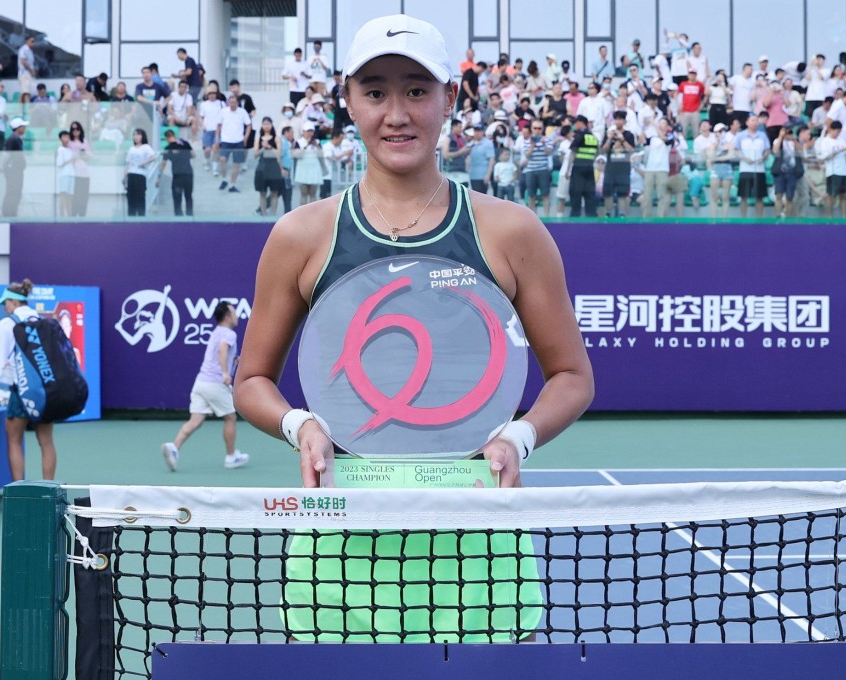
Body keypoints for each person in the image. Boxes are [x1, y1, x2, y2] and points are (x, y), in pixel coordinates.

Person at [233, 14, 593, 642]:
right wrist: (301, 426)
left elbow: (572, 376)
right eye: (374, 92)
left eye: (417, 90)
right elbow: (253, 380)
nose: (395, 113)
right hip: (340, 543)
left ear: (450, 98)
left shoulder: (512, 231)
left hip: (479, 544)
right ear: (348, 101)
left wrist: (520, 439)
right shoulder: (299, 235)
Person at [0, 280, 58, 481]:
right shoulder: (43, 321)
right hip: (47, 391)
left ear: (14, 302)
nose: (5, 308)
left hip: (21, 391)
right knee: (46, 441)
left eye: (6, 303)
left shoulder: (7, 323)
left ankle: (18, 492)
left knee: (14, 440)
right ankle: (50, 489)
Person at [161, 302, 248, 472]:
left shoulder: (216, 332)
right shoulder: (229, 334)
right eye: (234, 312)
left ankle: (174, 448)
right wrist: (225, 373)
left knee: (196, 420)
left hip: (200, 382)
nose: (237, 315)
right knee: (230, 417)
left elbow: (223, 353)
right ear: (228, 317)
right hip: (215, 382)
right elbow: (222, 350)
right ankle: (231, 457)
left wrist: (233, 361)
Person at [216, 94, 252, 192]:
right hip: (226, 141)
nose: (232, 104)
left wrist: (245, 138)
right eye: (231, 102)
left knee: (236, 165)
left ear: (237, 103)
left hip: (238, 141)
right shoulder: (223, 112)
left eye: (234, 102)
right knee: (222, 159)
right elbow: (218, 125)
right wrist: (217, 138)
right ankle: (224, 179)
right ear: (228, 102)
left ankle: (232, 185)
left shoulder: (242, 112)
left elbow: (249, 125)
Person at [156, 129, 194, 216]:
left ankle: (179, 218)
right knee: (188, 196)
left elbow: (163, 164)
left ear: (166, 138)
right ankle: (190, 216)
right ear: (174, 136)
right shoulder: (185, 143)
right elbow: (193, 155)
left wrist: (158, 177)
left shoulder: (168, 148)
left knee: (177, 198)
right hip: (188, 174)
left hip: (177, 175)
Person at [252, 116, 282, 216]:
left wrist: (269, 147)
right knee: (262, 193)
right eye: (264, 124)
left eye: (268, 124)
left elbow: (279, 154)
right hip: (262, 167)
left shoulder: (276, 138)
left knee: (274, 193)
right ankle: (263, 213)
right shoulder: (258, 139)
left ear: (271, 124)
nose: (266, 126)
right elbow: (255, 154)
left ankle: (273, 214)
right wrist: (262, 148)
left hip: (274, 167)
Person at [292, 120, 325, 205]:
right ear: (303, 131)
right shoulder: (299, 142)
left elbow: (321, 155)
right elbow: (296, 154)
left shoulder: (317, 142)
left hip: (314, 169)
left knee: (313, 193)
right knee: (304, 193)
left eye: (311, 131)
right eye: (308, 131)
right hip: (303, 169)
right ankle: (303, 215)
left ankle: (313, 215)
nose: (310, 133)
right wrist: (306, 146)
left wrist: (316, 146)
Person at [124, 128, 156, 217]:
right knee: (131, 197)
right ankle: (131, 217)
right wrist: (125, 175)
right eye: (134, 135)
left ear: (142, 136)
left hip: (140, 174)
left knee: (140, 196)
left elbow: (153, 157)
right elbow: (128, 163)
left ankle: (141, 217)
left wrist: (144, 162)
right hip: (131, 174)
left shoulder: (146, 147)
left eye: (138, 135)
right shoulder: (131, 148)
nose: (136, 137)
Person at [1, 117, 28, 218]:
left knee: (15, 192)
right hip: (13, 170)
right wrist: (3, 166)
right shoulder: (14, 139)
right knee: (13, 191)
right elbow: (7, 155)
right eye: (22, 126)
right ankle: (9, 213)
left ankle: (11, 212)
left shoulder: (15, 138)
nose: (24, 128)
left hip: (16, 170)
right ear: (18, 127)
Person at [68, 121, 92, 217]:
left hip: (84, 172)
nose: (75, 131)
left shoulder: (84, 142)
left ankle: (82, 214)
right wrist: (78, 155)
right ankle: (73, 214)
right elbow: (70, 158)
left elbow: (88, 156)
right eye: (73, 129)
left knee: (84, 195)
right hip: (74, 172)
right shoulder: (69, 142)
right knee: (75, 195)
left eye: (77, 129)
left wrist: (81, 155)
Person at [55, 130, 75, 217]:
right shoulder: (60, 150)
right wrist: (71, 160)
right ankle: (62, 215)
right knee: (64, 195)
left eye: (68, 137)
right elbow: (59, 164)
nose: (66, 139)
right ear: (60, 138)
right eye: (64, 137)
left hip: (72, 174)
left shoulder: (70, 150)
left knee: (70, 196)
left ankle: (69, 215)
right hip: (64, 175)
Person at [17, 35, 36, 104]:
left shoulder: (30, 51)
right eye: (32, 41)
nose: (34, 43)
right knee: (26, 92)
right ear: (27, 41)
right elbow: (23, 61)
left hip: (28, 74)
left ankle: (20, 110)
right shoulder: (24, 49)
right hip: (24, 73)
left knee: (26, 92)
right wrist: (32, 71)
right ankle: (27, 110)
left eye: (34, 42)